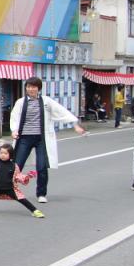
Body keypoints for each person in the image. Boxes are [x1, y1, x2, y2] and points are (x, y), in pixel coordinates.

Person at [10, 76, 85, 204]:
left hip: (41, 139)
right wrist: (14, 130)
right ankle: (11, 190)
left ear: (38, 88)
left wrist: (75, 125)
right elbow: (14, 117)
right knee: (17, 166)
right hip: (24, 138)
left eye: (33, 87)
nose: (31, 89)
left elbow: (62, 112)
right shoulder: (21, 102)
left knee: (42, 167)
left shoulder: (46, 101)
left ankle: (41, 194)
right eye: (28, 87)